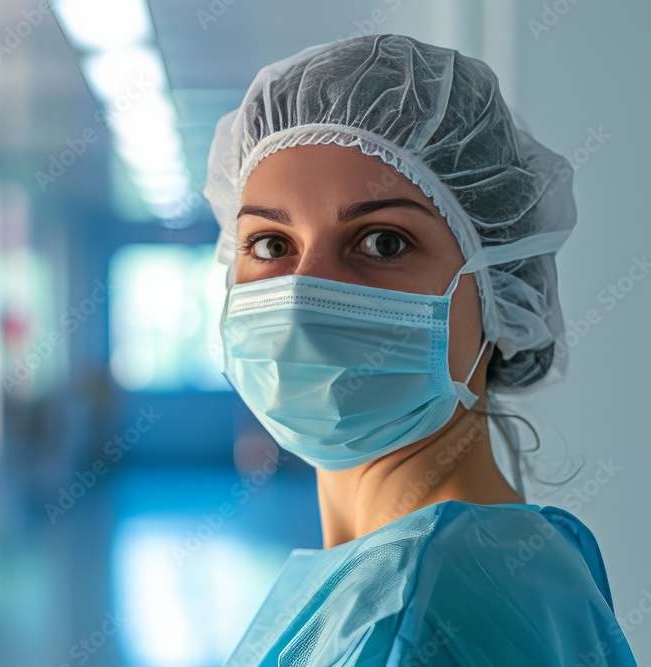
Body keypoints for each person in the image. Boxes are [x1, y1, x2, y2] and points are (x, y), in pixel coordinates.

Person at [203, 34, 639, 666]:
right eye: (270, 245)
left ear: (500, 292)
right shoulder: (488, 559)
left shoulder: (425, 605)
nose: (303, 294)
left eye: (382, 242)